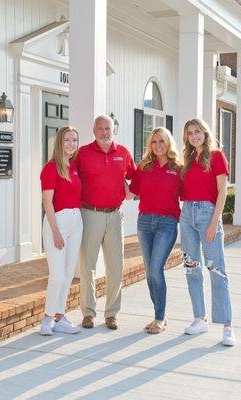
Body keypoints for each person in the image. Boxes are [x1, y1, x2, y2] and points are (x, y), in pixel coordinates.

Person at [76, 115, 136, 330]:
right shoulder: (82, 153)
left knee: (115, 266)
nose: (104, 132)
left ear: (113, 130)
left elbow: (136, 177)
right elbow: (70, 177)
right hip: (89, 213)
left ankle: (111, 313)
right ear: (93, 131)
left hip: (114, 215)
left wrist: (131, 191)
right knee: (87, 265)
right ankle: (88, 312)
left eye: (107, 128)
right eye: (100, 128)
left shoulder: (123, 152)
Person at [180, 118, 235, 346]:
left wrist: (214, 222)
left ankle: (227, 325)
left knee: (216, 269)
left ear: (205, 132)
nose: (194, 136)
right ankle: (199, 318)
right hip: (187, 215)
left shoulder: (216, 156)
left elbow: (222, 192)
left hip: (207, 214)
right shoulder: (187, 159)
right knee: (192, 268)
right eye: (190, 133)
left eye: (197, 131)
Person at [129, 127, 182, 334]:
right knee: (149, 272)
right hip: (144, 222)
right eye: (154, 142)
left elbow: (190, 193)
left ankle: (160, 317)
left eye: (161, 141)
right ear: (150, 145)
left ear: (168, 143)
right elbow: (131, 192)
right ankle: (158, 315)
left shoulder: (178, 167)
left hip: (167, 223)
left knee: (155, 270)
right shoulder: (144, 166)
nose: (158, 145)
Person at [39, 126, 83, 336]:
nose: (71, 144)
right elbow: (47, 202)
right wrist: (55, 232)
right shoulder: (51, 168)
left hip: (76, 221)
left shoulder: (73, 167)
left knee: (67, 273)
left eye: (74, 140)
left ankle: (60, 316)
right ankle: (47, 319)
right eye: (67, 140)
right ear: (59, 142)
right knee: (56, 276)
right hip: (57, 222)